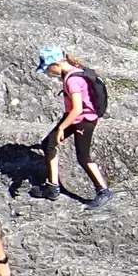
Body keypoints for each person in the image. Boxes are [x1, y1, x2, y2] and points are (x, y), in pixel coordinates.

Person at [34, 47, 112, 209]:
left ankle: (103, 191)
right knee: (48, 143)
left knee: (83, 157)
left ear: (56, 64)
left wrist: (62, 128)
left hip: (84, 120)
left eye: (49, 69)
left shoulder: (72, 80)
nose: (49, 73)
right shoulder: (71, 72)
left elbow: (77, 108)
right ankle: (53, 187)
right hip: (74, 117)